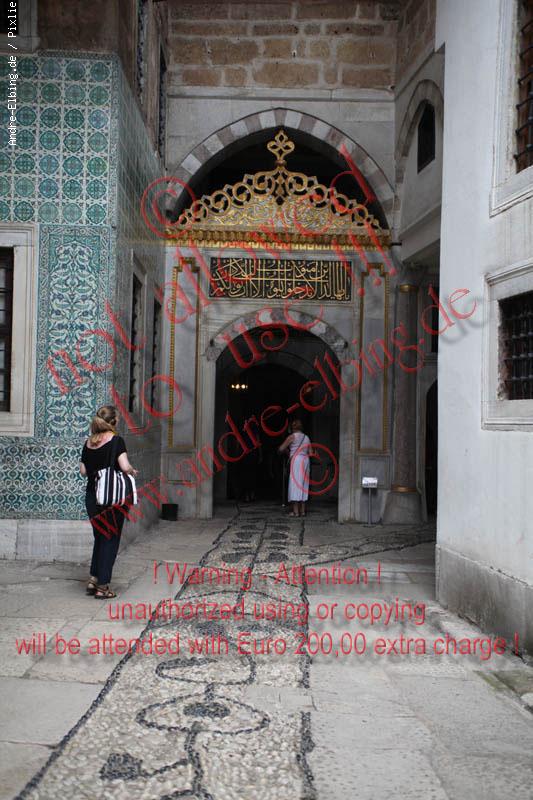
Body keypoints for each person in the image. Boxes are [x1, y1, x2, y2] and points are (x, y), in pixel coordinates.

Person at [79, 405, 138, 599]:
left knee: (99, 537)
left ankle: (94, 578)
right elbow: (125, 466)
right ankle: (103, 587)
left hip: (92, 497)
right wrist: (131, 471)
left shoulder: (88, 443)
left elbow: (83, 471)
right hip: (111, 498)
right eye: (118, 418)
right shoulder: (116, 441)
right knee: (110, 539)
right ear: (113, 421)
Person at [278, 419, 311, 517]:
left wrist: (288, 452)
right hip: (305, 460)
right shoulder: (306, 437)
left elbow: (281, 448)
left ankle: (296, 512)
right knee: (304, 485)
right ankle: (303, 511)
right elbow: (310, 452)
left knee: (295, 484)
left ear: (292, 428)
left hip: (296, 461)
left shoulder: (292, 437)